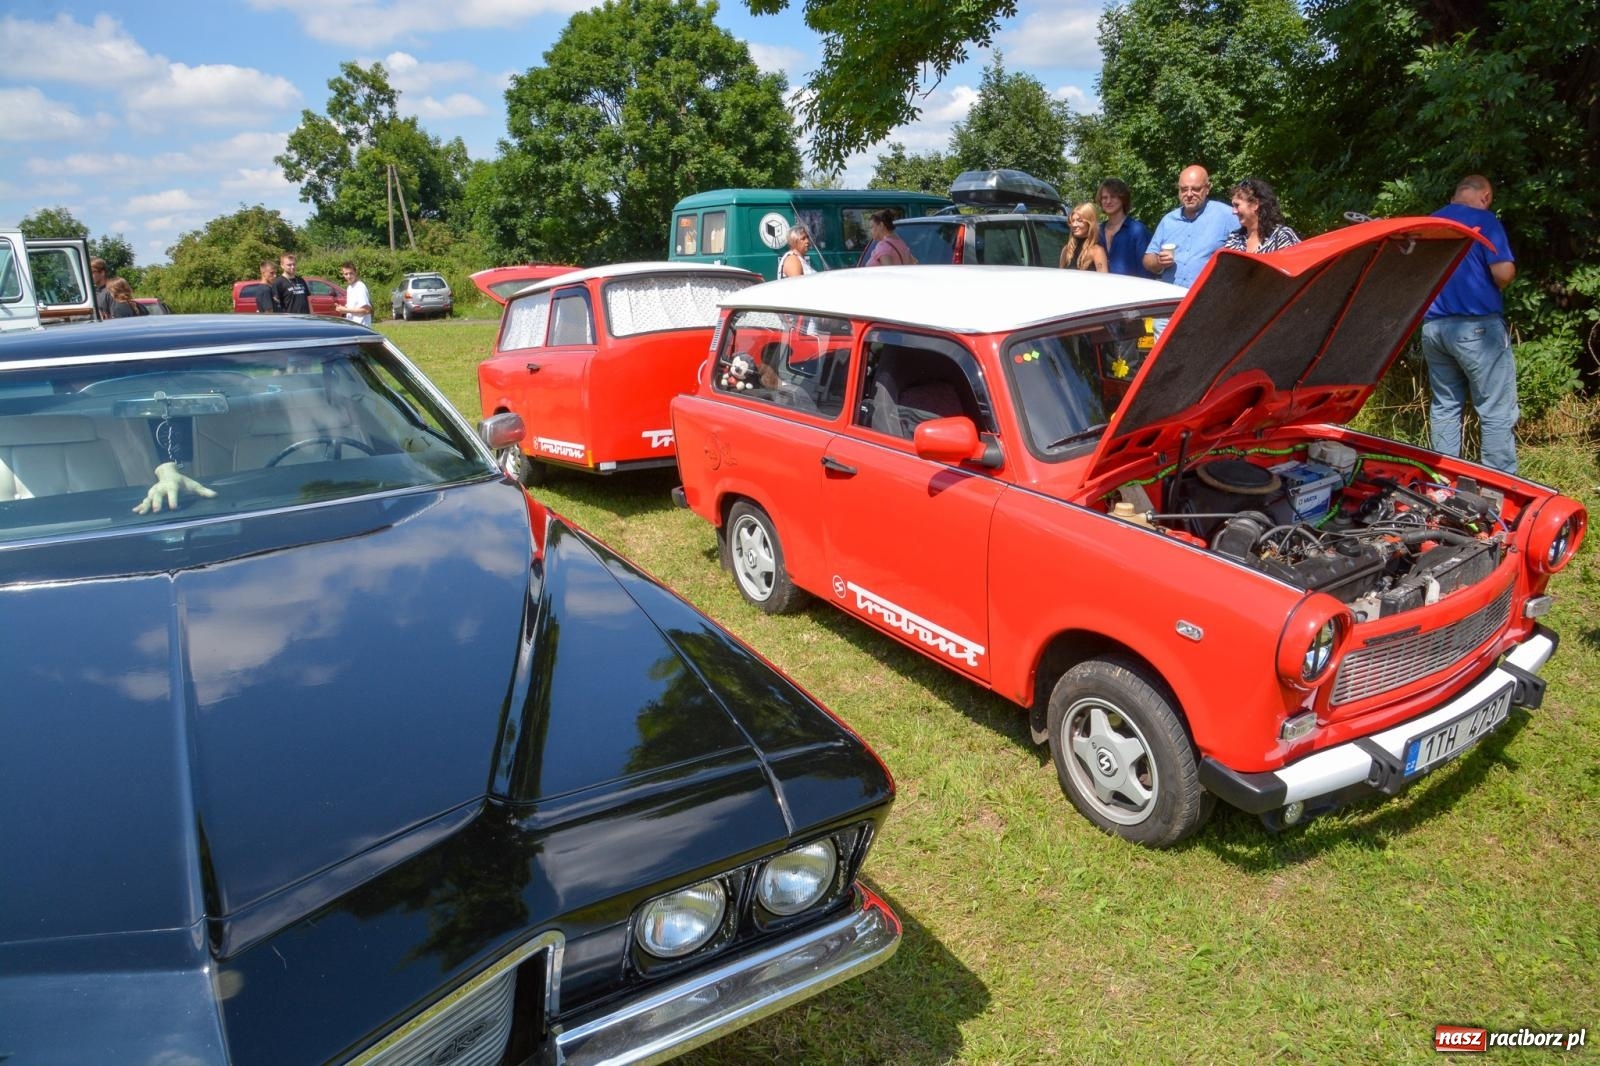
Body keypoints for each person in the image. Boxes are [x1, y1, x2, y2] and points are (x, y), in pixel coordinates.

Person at [1421, 174, 1519, 473]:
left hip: (1433, 329)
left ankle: (1443, 479)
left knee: (1445, 406)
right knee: (1495, 409)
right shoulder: (1485, 220)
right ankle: (1497, 484)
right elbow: (1503, 273)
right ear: (1485, 197)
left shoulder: (1429, 224)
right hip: (1476, 328)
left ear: (1455, 195)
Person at [1143, 165, 1237, 287]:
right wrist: (1159, 262)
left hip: (1208, 295)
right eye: (1183, 189)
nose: (1189, 194)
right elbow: (1148, 259)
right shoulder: (1168, 220)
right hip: (1172, 295)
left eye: (1196, 189)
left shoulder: (1227, 215)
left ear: (1208, 188)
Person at [1222, 178, 1301, 253]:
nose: (1234, 211)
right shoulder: (1235, 238)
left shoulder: (1281, 237)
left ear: (1255, 204)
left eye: (1237, 205)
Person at [1096, 179, 1151, 276]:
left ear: (1123, 199)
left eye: (1113, 196)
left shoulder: (1137, 230)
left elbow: (1146, 270)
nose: (1108, 201)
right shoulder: (1098, 231)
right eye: (1104, 197)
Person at [1060, 202, 1109, 271]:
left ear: (1089, 224)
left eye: (1079, 221)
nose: (1074, 225)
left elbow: (1103, 276)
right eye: (1072, 221)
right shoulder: (1067, 250)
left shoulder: (1097, 251)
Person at [335, 261, 372, 326]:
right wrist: (342, 308)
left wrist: (346, 310)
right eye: (346, 274)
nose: (349, 276)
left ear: (355, 273)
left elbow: (366, 310)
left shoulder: (360, 287)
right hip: (353, 326)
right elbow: (353, 306)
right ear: (343, 275)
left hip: (361, 327)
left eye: (351, 273)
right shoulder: (350, 287)